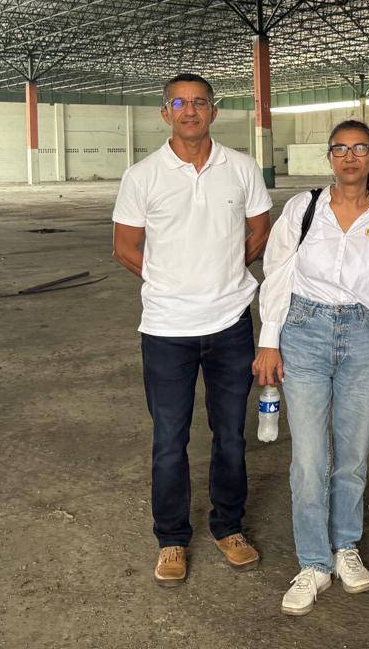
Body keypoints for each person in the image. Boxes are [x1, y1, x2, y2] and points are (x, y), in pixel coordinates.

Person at [112, 73, 273, 587]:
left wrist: (227, 272)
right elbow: (125, 246)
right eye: (179, 103)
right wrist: (171, 282)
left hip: (230, 325)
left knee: (230, 436)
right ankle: (172, 538)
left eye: (199, 102)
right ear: (165, 113)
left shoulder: (241, 168)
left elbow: (260, 229)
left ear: (213, 111)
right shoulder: (142, 176)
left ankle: (229, 527)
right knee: (169, 439)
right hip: (166, 329)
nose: (189, 110)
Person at [254, 119, 369, 616]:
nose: (349, 157)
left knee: (353, 453)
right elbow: (277, 273)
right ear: (329, 157)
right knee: (308, 457)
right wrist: (269, 340)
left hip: (365, 336)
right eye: (340, 149)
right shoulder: (303, 208)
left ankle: (345, 546)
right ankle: (313, 562)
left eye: (359, 148)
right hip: (305, 332)